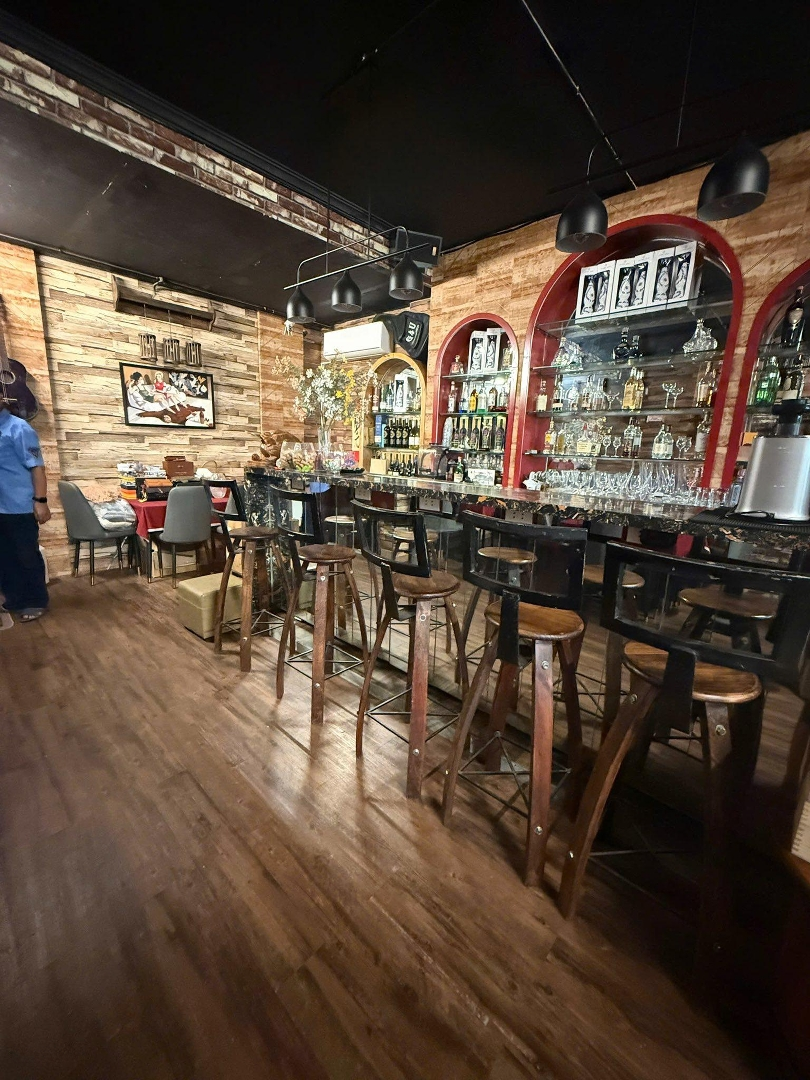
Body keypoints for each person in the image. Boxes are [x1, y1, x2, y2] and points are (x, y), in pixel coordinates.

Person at [0, 399, 50, 620]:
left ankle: (36, 601)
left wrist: (41, 500)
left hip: (19, 506)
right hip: (1, 506)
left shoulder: (18, 428)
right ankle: (15, 599)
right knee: (6, 557)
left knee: (26, 555)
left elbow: (37, 467)